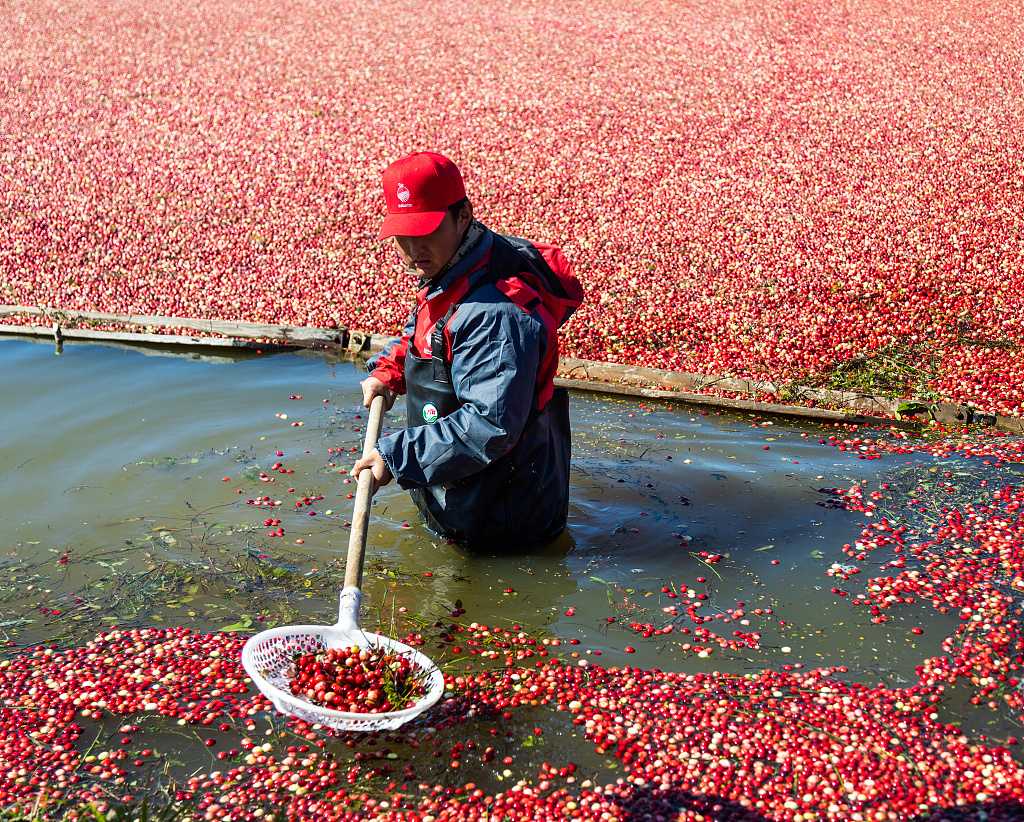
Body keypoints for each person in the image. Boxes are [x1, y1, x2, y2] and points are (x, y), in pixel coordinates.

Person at [350, 151, 584, 550]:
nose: (412, 248)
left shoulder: (495, 312)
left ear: (463, 215)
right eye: (401, 235)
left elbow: (489, 424)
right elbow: (429, 327)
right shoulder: (457, 262)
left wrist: (397, 458)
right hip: (457, 488)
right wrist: (391, 368)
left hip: (505, 516)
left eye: (425, 230)